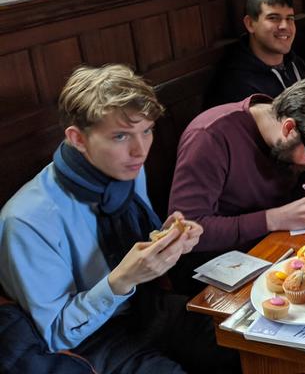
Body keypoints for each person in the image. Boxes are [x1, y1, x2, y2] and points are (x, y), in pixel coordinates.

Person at [0, 64, 237, 373]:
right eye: (121, 136)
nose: (140, 151)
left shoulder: (124, 171)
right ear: (78, 139)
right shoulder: (26, 221)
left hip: (150, 307)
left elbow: (135, 244)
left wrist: (168, 239)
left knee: (245, 346)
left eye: (147, 131)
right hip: (93, 341)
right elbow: (56, 334)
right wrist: (121, 280)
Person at [169, 77, 305, 255]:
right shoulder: (210, 137)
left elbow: (287, 176)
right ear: (289, 128)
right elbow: (185, 231)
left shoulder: (286, 135)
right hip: (226, 265)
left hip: (280, 243)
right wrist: (272, 219)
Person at [204, 0, 305, 108]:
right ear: (250, 24)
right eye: (273, 18)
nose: (285, 26)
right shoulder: (235, 84)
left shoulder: (296, 63)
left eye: (289, 18)